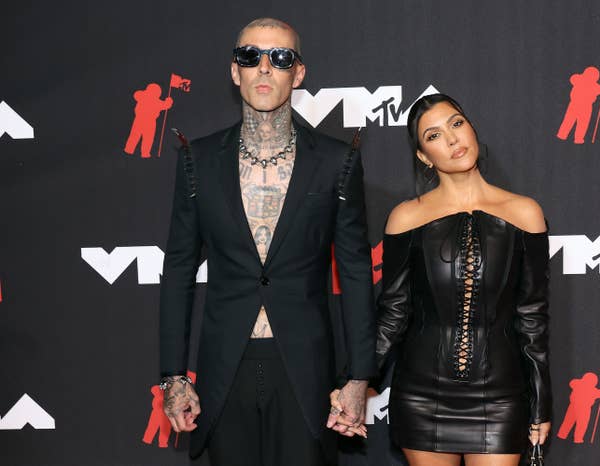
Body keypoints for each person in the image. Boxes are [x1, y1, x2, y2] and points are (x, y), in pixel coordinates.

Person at [158, 18, 376, 466]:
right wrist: (174, 376)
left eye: (279, 58)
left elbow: (355, 274)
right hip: (224, 366)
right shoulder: (197, 160)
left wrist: (358, 378)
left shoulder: (338, 161)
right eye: (249, 56)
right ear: (234, 71)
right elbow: (178, 268)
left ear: (298, 73)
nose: (263, 68)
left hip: (304, 367)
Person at [334, 93, 552, 466]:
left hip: (501, 396)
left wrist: (540, 402)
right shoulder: (406, 218)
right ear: (423, 156)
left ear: (470, 128)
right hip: (422, 396)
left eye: (456, 124)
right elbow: (393, 313)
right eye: (433, 136)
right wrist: (354, 381)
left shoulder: (525, 213)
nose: (451, 140)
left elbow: (531, 317)